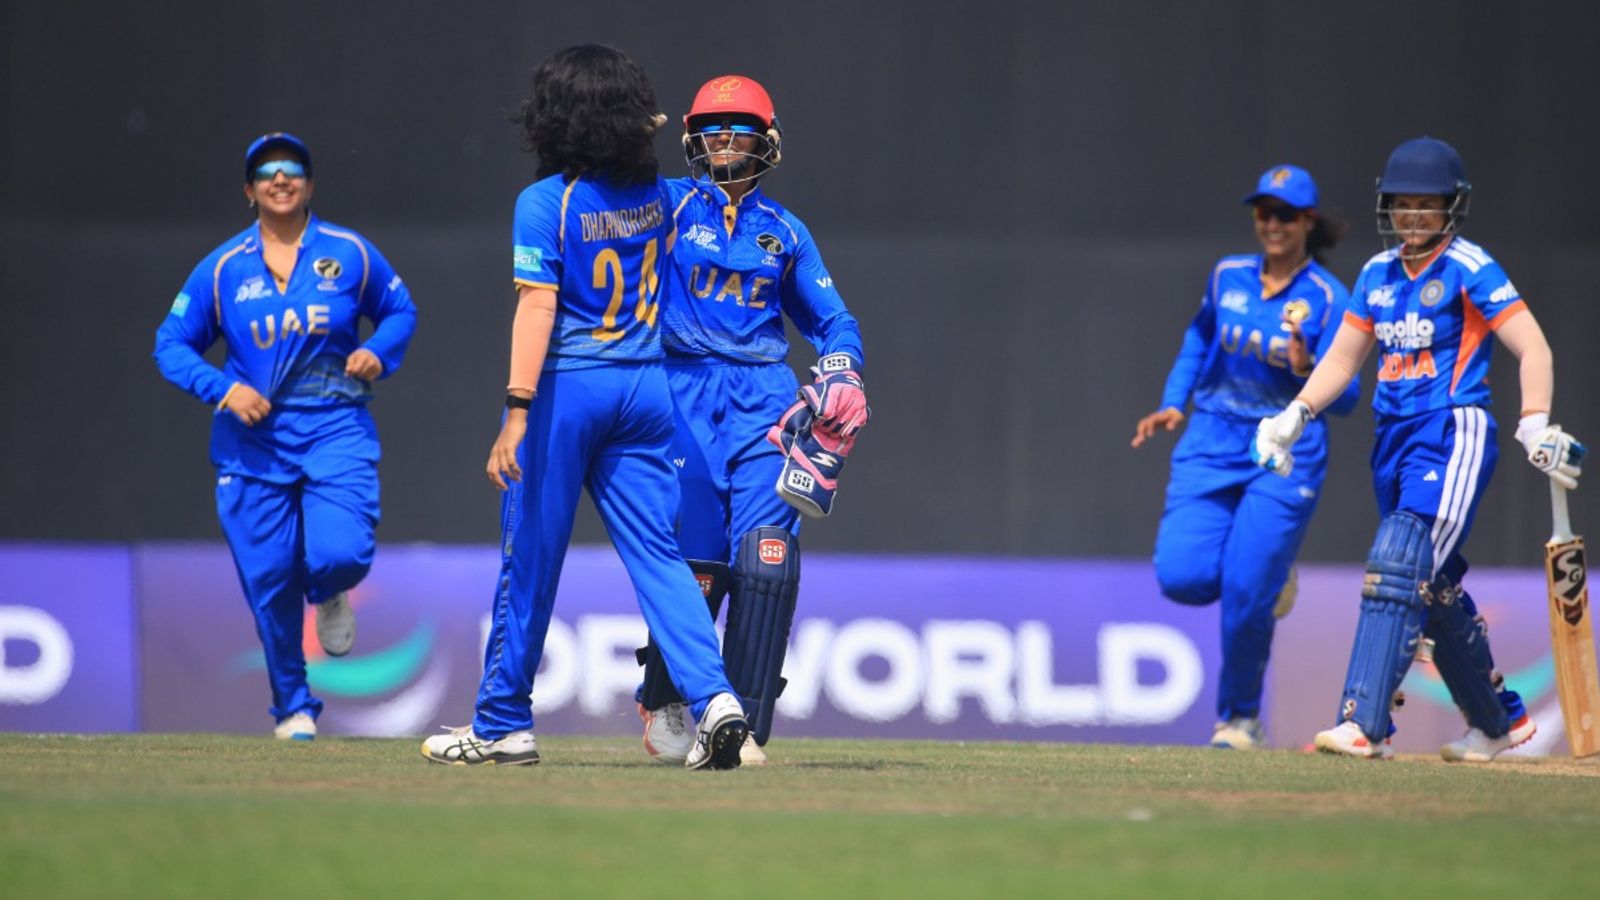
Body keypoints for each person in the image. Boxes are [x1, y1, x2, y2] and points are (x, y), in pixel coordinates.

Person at [420, 44, 748, 770]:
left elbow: (537, 307)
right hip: (645, 393)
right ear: (633, 120)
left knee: (530, 561)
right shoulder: (661, 196)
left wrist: (515, 411)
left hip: (569, 391)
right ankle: (718, 701)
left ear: (556, 121)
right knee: (661, 558)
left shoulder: (545, 203)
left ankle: (502, 723)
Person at [1252, 137, 1586, 761]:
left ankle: (1364, 724)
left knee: (1399, 561)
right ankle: (1498, 723)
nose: (1412, 217)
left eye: (1425, 205)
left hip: (1453, 431)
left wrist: (1535, 423)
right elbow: (1345, 358)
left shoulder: (1469, 265)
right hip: (1392, 438)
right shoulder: (1377, 276)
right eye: (1402, 205)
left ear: (1450, 207)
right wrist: (1295, 413)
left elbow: (1533, 346)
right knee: (1428, 585)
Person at [630, 75, 868, 768]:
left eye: (738, 126)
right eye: (711, 127)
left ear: (767, 139)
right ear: (692, 140)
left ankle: (746, 724)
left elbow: (833, 318)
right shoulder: (664, 205)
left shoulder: (785, 231)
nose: (724, 138)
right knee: (696, 565)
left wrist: (844, 367)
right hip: (680, 389)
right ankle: (674, 699)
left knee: (766, 558)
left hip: (764, 401)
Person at [153, 132, 418, 741]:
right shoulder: (222, 268)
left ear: (309, 185)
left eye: (292, 168)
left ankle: (328, 592)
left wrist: (378, 350)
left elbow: (400, 311)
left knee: (339, 554)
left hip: (335, 429)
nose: (280, 177)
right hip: (251, 446)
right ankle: (294, 708)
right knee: (270, 582)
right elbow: (170, 343)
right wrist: (223, 389)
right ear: (250, 190)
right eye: (266, 170)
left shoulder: (348, 252)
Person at [1133, 165, 1357, 750]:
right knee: (1181, 577)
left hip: (1283, 451)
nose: (1272, 224)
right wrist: (1172, 403)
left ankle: (1238, 720)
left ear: (1308, 221)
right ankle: (1268, 576)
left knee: (1245, 587)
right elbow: (1199, 338)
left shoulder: (1330, 298)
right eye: (1264, 212)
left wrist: (1306, 364)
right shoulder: (1227, 275)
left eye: (1285, 214)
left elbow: (1350, 397)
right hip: (1210, 438)